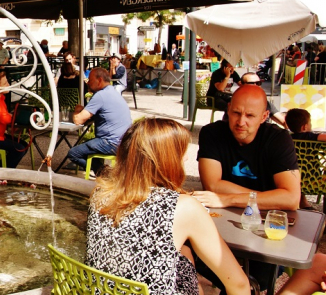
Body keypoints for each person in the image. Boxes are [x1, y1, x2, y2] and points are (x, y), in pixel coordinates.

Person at [87, 118, 250, 295]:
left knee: (185, 253)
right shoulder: (184, 208)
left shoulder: (101, 194)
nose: (186, 157)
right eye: (181, 151)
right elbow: (239, 284)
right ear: (166, 159)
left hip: (104, 290)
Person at [195, 85, 300, 294]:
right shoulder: (212, 133)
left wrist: (228, 199)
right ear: (229, 109)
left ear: (264, 116)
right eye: (236, 113)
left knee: (257, 276)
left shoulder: (278, 139)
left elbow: (290, 199)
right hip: (222, 225)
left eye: (250, 115)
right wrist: (268, 197)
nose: (241, 122)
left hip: (265, 230)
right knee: (190, 254)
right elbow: (213, 185)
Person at [67, 68, 132, 174]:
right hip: (124, 141)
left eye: (90, 80)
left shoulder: (100, 95)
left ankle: (106, 175)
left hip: (111, 143)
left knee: (73, 153)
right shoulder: (113, 91)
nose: (88, 83)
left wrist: (77, 110)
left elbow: (78, 120)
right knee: (89, 146)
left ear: (100, 80)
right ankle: (104, 173)